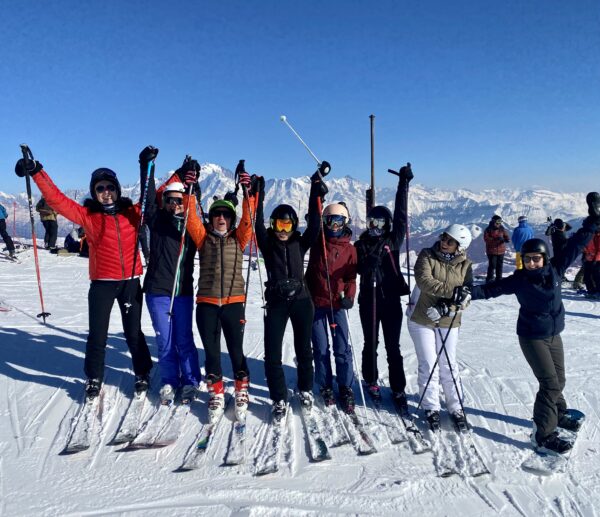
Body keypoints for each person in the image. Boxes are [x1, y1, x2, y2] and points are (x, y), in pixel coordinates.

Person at [15, 148, 154, 399]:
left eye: (109, 187)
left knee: (134, 332)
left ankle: (142, 371)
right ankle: (93, 377)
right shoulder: (88, 216)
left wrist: (149, 166)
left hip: (131, 282)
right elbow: (57, 200)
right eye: (100, 189)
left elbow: (151, 196)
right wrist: (37, 171)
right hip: (102, 283)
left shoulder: (132, 213)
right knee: (97, 334)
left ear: (117, 189)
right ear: (94, 193)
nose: (106, 193)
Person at [467, 192, 600, 454]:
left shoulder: (556, 269)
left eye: (535, 258)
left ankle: (559, 414)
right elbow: (491, 289)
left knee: (558, 379)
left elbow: (576, 242)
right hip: (531, 336)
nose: (531, 263)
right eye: (527, 259)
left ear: (544, 258)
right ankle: (543, 433)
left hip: (553, 333)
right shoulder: (520, 279)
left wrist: (594, 221)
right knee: (549, 384)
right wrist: (467, 292)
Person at [184, 164, 256, 422]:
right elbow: (191, 218)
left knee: (236, 350)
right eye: (217, 215)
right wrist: (189, 191)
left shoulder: (240, 238)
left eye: (226, 215)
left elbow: (249, 218)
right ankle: (216, 391)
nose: (221, 218)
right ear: (212, 218)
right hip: (206, 303)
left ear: (231, 218)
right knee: (212, 352)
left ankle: (241, 388)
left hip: (234, 302)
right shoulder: (203, 238)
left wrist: (249, 192)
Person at [253, 165, 326, 417]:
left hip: (302, 301)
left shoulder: (300, 242)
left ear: (294, 226)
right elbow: (255, 222)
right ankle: (278, 397)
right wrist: (258, 193)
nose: (282, 231)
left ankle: (305, 389)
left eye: (287, 226)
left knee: (304, 349)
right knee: (272, 351)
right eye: (278, 226)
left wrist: (315, 189)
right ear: (272, 225)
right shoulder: (266, 243)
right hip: (276, 302)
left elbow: (315, 225)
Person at [143, 159, 202, 406]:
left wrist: (191, 191)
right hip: (157, 291)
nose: (175, 204)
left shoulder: (191, 227)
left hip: (182, 292)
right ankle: (170, 380)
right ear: (164, 202)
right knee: (165, 340)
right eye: (170, 200)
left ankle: (190, 381)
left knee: (184, 339)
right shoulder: (157, 222)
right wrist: (149, 165)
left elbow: (199, 221)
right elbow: (150, 198)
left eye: (179, 200)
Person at [354, 165, 412, 411]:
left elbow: (401, 216)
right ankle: (371, 380)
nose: (373, 227)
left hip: (389, 300)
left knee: (393, 346)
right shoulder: (361, 244)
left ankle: (398, 388)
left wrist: (403, 185)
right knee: (371, 342)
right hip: (369, 299)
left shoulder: (393, 240)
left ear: (386, 224)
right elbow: (354, 268)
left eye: (379, 222)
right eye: (370, 222)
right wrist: (366, 265)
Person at [406, 224, 473, 430]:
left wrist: (448, 306)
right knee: (428, 363)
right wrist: (454, 292)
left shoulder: (466, 265)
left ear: (459, 246)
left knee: (448, 364)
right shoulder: (427, 255)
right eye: (444, 237)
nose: (444, 242)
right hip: (421, 318)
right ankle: (431, 407)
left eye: (450, 241)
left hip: (448, 320)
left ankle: (456, 407)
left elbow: (467, 297)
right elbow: (424, 281)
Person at [305, 202, 357, 412]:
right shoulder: (318, 240)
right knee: (320, 347)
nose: (334, 226)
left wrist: (349, 297)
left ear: (345, 222)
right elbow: (312, 219)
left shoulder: (350, 249)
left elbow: (351, 278)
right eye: (329, 221)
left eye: (338, 221)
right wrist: (317, 191)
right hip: (316, 303)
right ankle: (325, 384)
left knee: (342, 348)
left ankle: (345, 386)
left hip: (337, 304)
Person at [483, 215, 510, 283]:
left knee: (499, 265)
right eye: (497, 222)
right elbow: (486, 239)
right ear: (493, 221)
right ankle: (489, 279)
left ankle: (499, 279)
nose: (499, 224)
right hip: (492, 251)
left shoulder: (502, 228)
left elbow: (506, 236)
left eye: (500, 222)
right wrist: (496, 240)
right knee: (492, 265)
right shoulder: (488, 229)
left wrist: (506, 239)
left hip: (501, 250)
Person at [582, 229, 600, 298]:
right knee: (587, 276)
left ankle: (598, 292)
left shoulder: (598, 237)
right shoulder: (590, 235)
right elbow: (586, 247)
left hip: (597, 261)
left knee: (597, 277)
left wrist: (595, 260)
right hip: (588, 259)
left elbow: (599, 250)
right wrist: (584, 255)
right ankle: (591, 291)